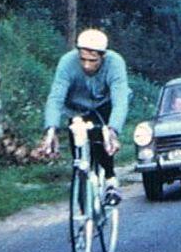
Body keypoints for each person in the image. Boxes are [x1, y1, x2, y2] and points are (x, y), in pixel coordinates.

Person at [41, 28, 130, 205]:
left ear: (103, 56)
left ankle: (111, 179)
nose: (87, 65)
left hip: (104, 105)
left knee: (101, 139)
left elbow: (120, 99)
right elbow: (56, 97)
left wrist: (112, 130)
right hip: (76, 108)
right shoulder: (67, 62)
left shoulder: (115, 62)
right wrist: (51, 129)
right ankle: (82, 192)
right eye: (82, 59)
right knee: (78, 152)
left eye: (93, 60)